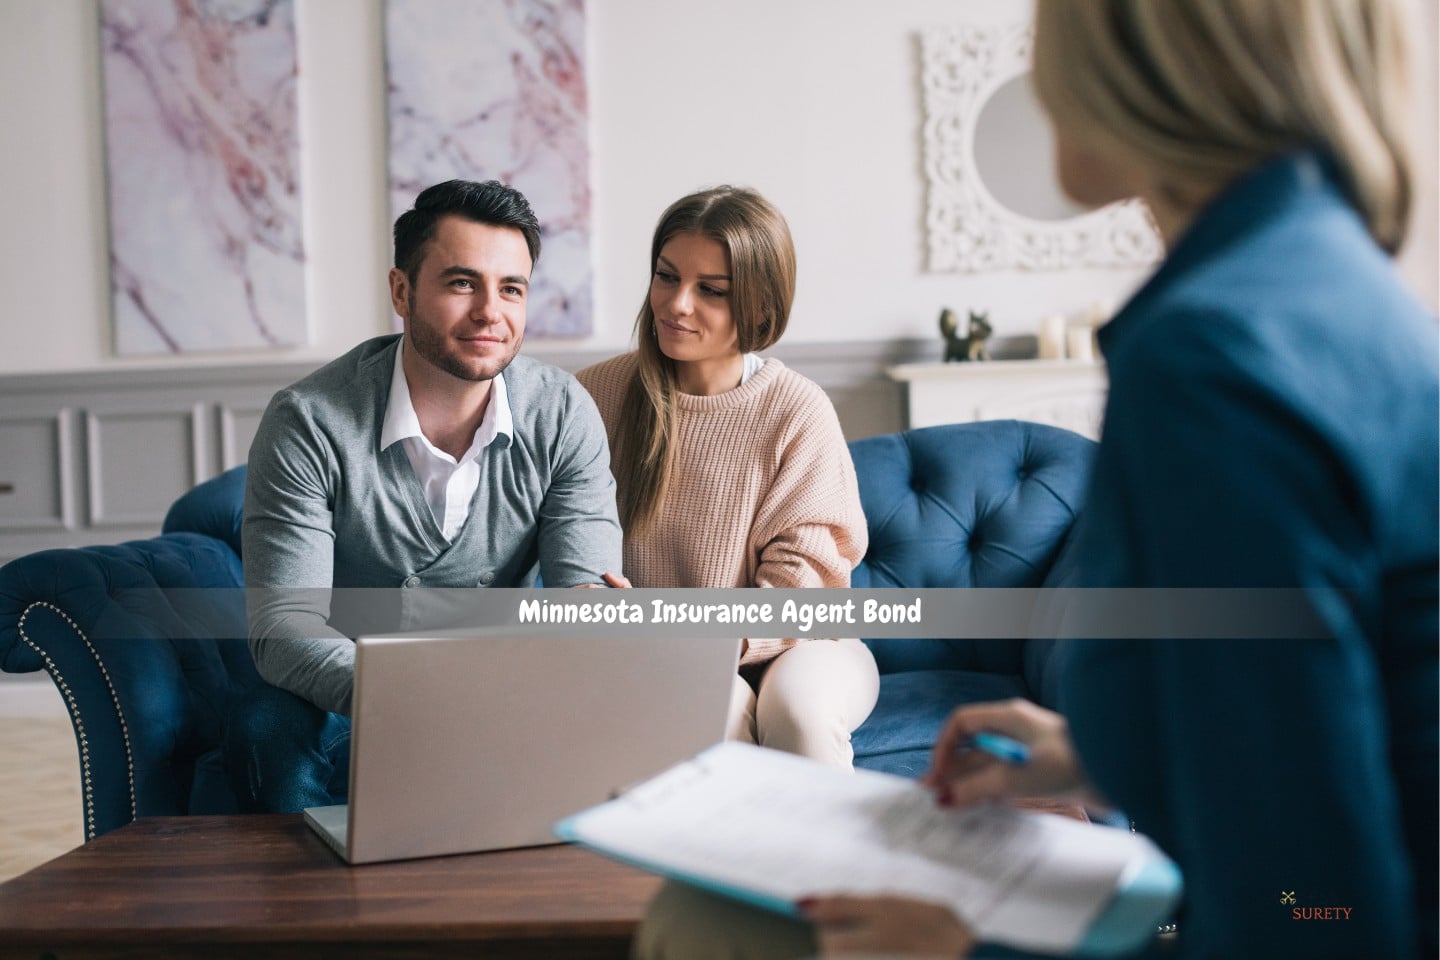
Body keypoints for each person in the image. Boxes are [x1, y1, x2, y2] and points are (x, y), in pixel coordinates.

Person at [641, 1, 1438, 957]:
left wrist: (966, 947)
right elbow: (1302, 730)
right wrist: (1096, 757)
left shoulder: (1216, 353)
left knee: (699, 921)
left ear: (1141, 67)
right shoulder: (1314, 280)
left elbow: (1315, 902)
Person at [228, 179, 623, 813]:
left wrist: (595, 614)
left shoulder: (563, 412)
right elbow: (287, 626)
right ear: (402, 291)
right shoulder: (307, 420)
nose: (490, 312)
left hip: (508, 680)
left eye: (511, 288)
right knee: (264, 731)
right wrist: (417, 692)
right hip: (351, 686)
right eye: (462, 283)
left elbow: (584, 585)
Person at [576, 186, 879, 770]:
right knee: (707, 709)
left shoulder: (796, 408)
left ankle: (829, 863)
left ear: (761, 309)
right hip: (663, 654)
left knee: (801, 717)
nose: (677, 304)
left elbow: (803, 582)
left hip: (806, 642)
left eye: (711, 291)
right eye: (667, 277)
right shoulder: (598, 395)